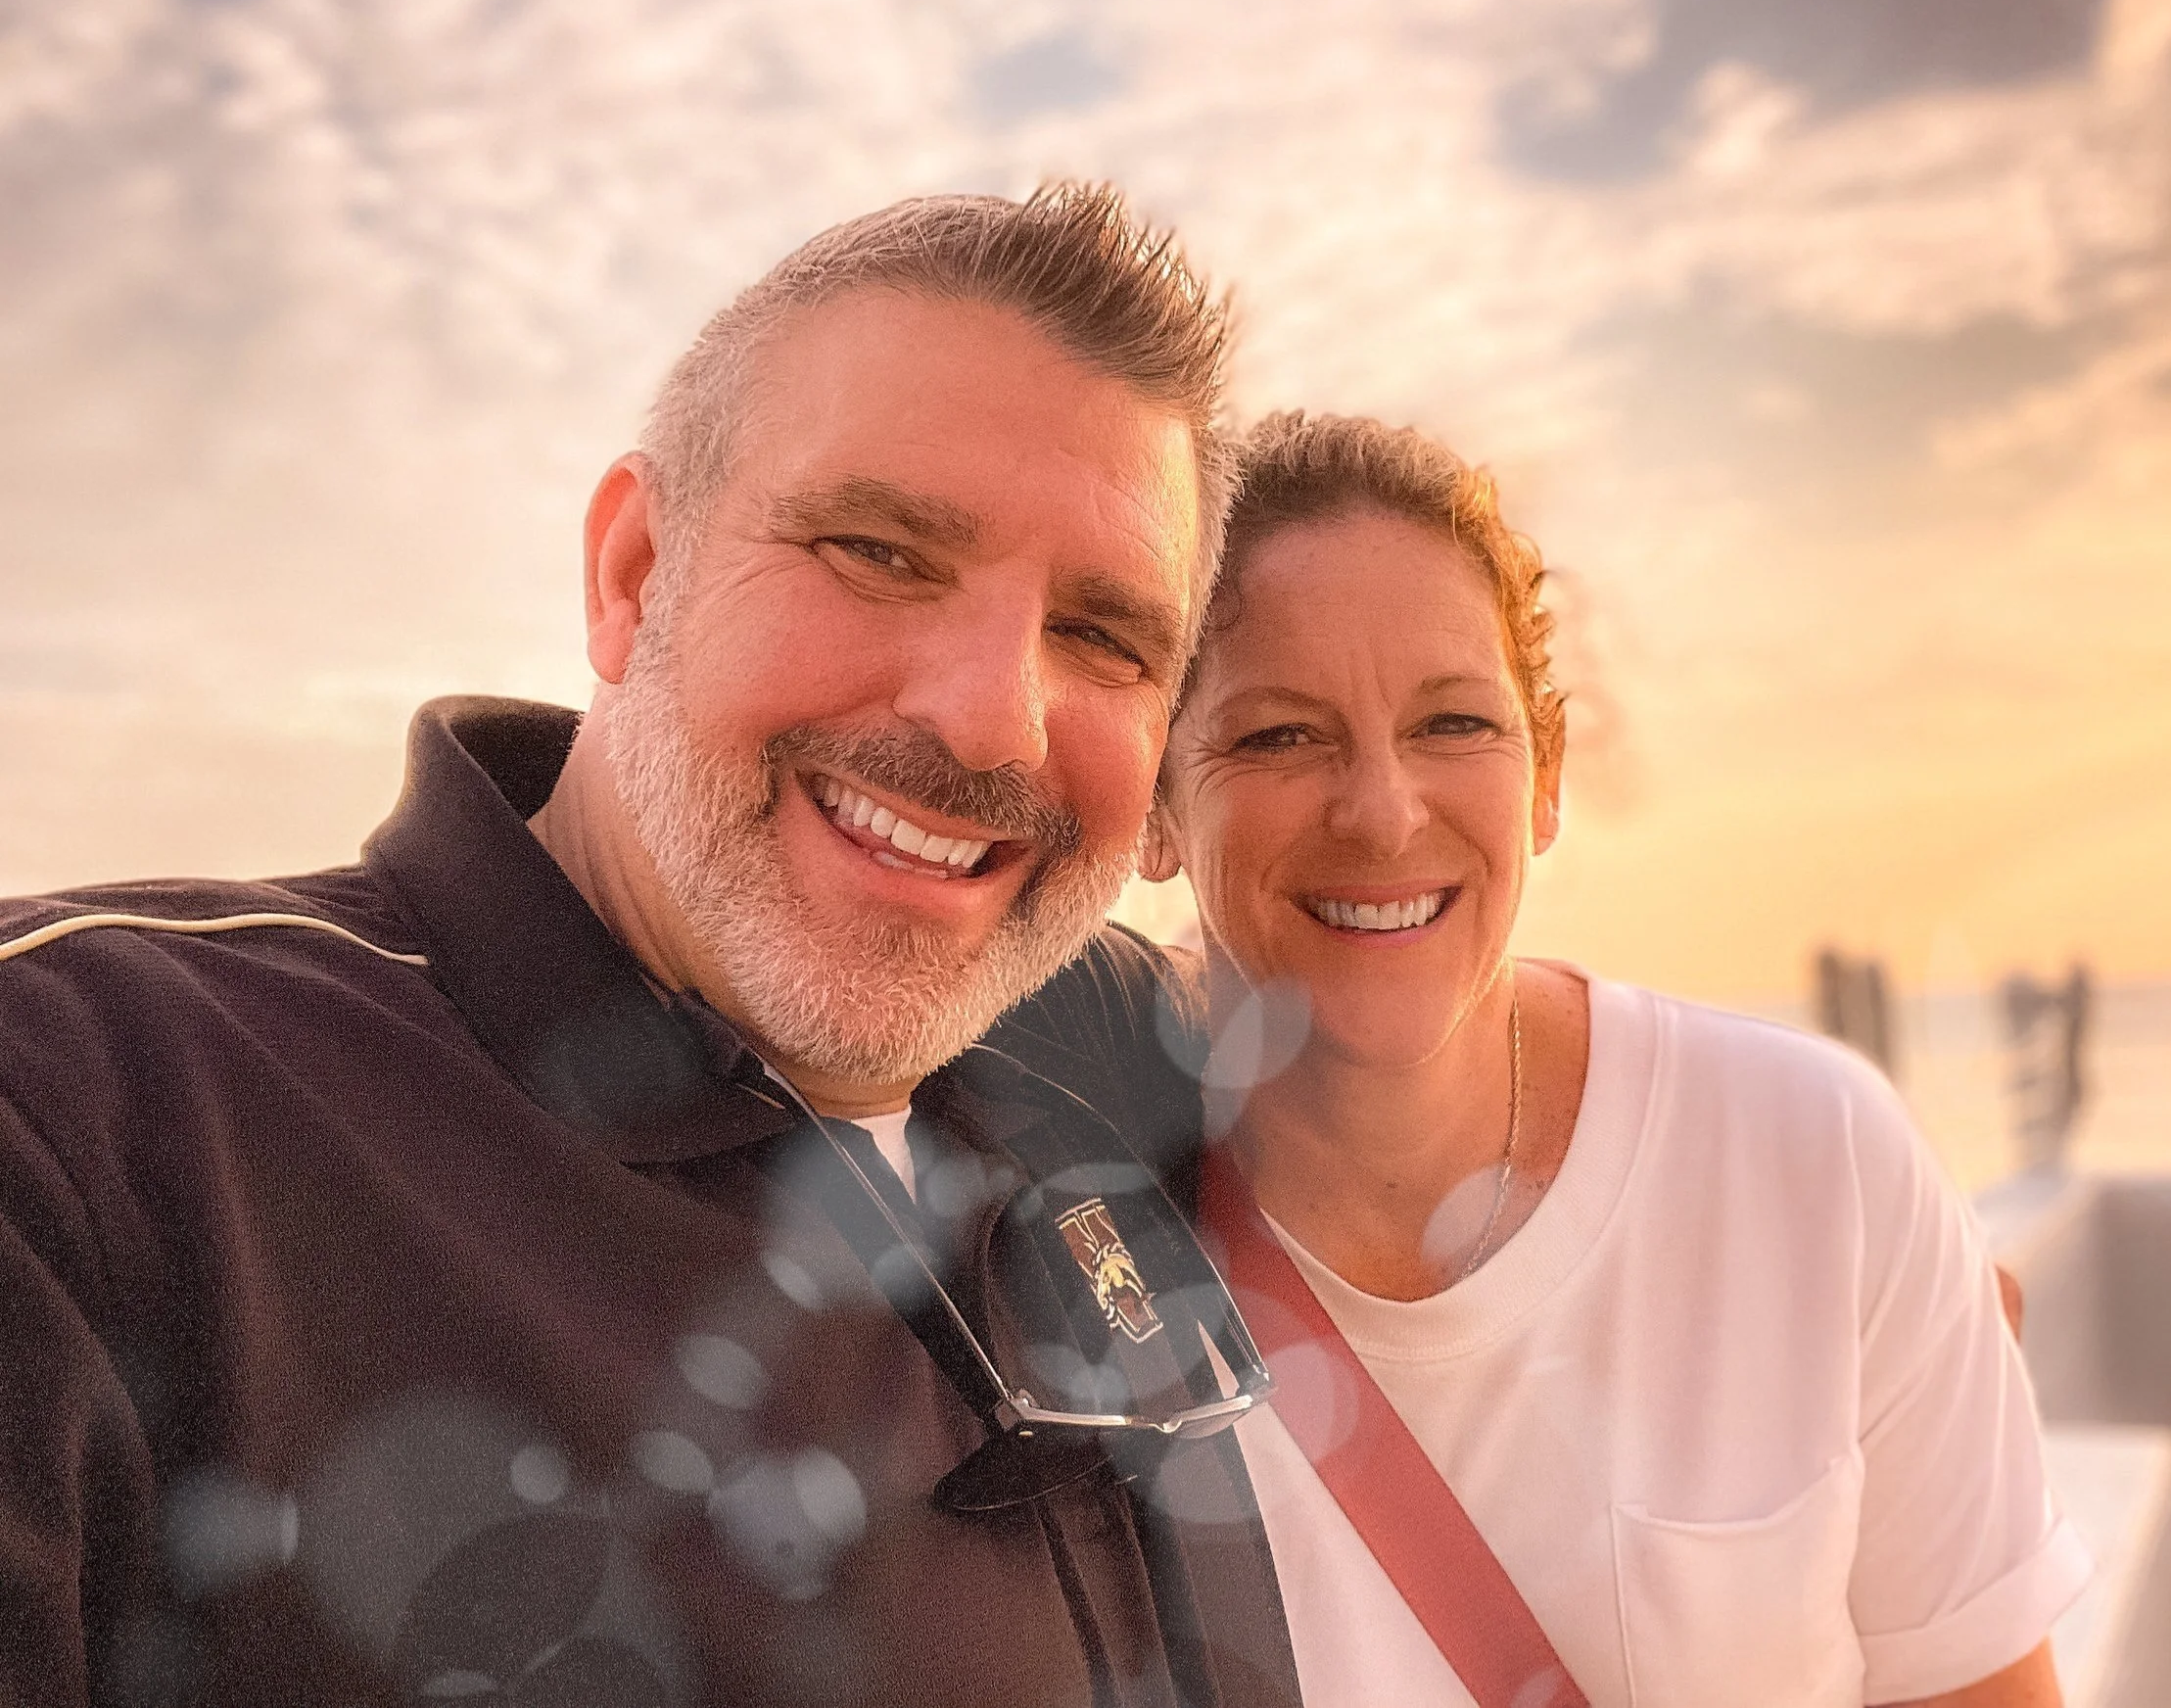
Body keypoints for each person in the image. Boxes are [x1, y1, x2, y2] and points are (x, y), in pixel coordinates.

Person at [0, 187, 1298, 1707]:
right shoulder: (91, 1116)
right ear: (633, 570)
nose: (993, 718)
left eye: (1104, 637)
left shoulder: (1085, 1099)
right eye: (880, 551)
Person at [1138, 411, 2093, 1707]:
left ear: (1545, 774)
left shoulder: (1811, 1156)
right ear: (1153, 802)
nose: (1383, 811)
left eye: (1453, 723)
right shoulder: (1068, 1241)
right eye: (1278, 736)